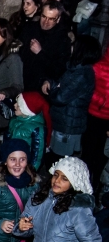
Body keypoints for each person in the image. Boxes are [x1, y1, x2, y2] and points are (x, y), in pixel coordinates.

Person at [43, 34, 101, 166]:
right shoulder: (75, 69)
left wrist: (54, 89)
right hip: (64, 122)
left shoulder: (82, 74)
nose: (71, 47)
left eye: (74, 45)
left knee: (59, 162)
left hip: (68, 126)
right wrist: (52, 83)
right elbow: (61, 86)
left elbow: (60, 97)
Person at [19, 0, 72, 92]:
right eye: (44, 17)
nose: (46, 22)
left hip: (38, 87)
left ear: (58, 19)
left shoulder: (62, 40)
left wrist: (40, 53)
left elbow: (58, 69)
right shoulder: (29, 28)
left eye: (51, 19)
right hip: (20, 78)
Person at [84, 46, 109, 191]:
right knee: (89, 153)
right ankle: (86, 187)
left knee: (103, 156)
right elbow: (87, 90)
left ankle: (97, 187)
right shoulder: (98, 67)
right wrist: (102, 101)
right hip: (94, 116)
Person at [7, 92, 51, 171]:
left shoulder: (37, 128)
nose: (14, 105)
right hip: (11, 160)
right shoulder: (14, 120)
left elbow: (37, 154)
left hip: (24, 165)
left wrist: (31, 171)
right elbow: (6, 140)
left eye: (19, 104)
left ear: (27, 109)